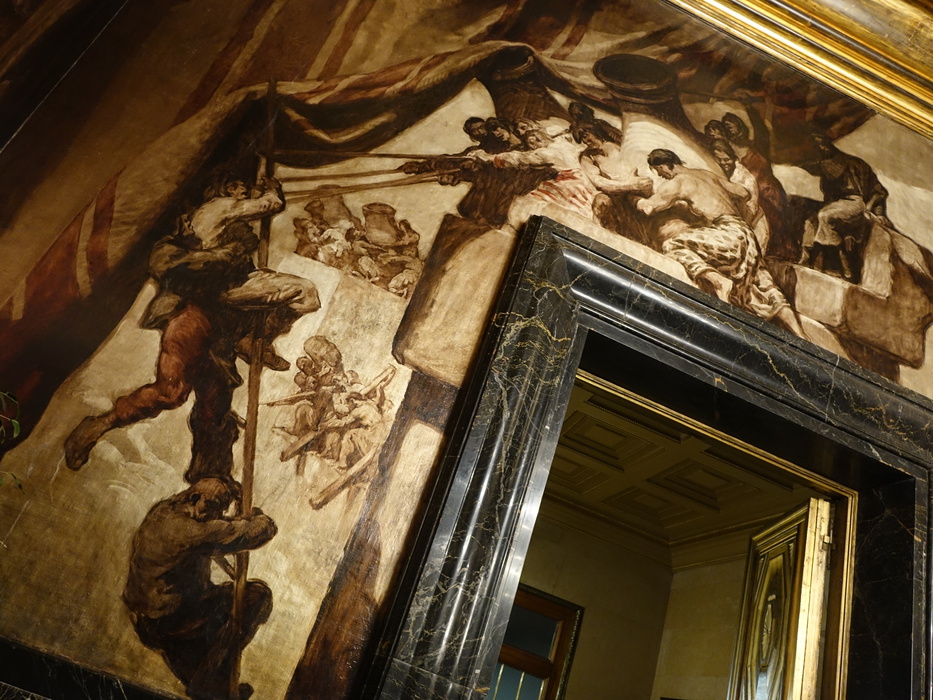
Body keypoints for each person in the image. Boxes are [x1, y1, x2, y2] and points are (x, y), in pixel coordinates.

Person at [64, 177, 320, 479]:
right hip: (193, 315)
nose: (243, 192)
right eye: (237, 186)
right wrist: (235, 246)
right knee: (171, 392)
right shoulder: (182, 238)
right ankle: (101, 424)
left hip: (226, 318)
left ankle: (209, 479)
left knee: (215, 405)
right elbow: (191, 267)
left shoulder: (227, 230)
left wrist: (237, 254)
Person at [123, 478, 277, 700]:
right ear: (196, 498)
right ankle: (210, 679)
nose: (217, 514)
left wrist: (237, 509)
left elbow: (215, 528)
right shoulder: (186, 530)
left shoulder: (165, 511)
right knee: (257, 596)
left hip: (151, 614)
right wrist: (259, 519)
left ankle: (210, 683)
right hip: (169, 619)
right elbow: (247, 533)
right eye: (214, 507)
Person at [637, 149, 804, 336]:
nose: (661, 176)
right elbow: (743, 193)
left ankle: (718, 282)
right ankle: (801, 335)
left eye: (659, 171)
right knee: (763, 282)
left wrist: (635, 198)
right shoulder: (706, 174)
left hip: (727, 233)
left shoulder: (678, 182)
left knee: (671, 245)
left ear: (663, 166)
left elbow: (649, 208)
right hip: (745, 233)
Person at [798, 131, 890, 281]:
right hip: (836, 205)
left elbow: (878, 192)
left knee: (825, 216)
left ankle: (845, 266)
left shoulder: (856, 165)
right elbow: (829, 198)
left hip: (855, 203)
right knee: (811, 221)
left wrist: (876, 211)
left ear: (826, 147)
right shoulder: (827, 170)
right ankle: (806, 259)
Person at [471, 127, 596, 230]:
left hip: (568, 182)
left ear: (542, 137)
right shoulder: (562, 143)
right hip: (581, 180)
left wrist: (487, 157)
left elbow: (519, 158)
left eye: (535, 140)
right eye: (531, 143)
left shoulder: (544, 152)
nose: (534, 145)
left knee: (530, 203)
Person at [721, 112, 789, 257]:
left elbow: (762, 131)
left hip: (769, 191)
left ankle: (779, 251)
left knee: (776, 221)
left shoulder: (756, 145)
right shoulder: (728, 147)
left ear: (740, 126)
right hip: (752, 191)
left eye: (731, 124)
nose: (729, 128)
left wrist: (752, 109)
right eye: (726, 126)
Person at [574, 122, 653, 245]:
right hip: (615, 197)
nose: (585, 141)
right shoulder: (587, 157)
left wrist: (638, 184)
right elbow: (598, 182)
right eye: (582, 139)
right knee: (601, 202)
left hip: (636, 193)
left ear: (594, 131)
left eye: (585, 136)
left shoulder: (616, 145)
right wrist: (629, 185)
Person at [710, 138, 770, 251]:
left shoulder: (746, 179)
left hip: (753, 225)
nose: (723, 163)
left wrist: (742, 230)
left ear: (734, 158)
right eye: (719, 159)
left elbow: (752, 207)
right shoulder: (719, 172)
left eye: (726, 159)